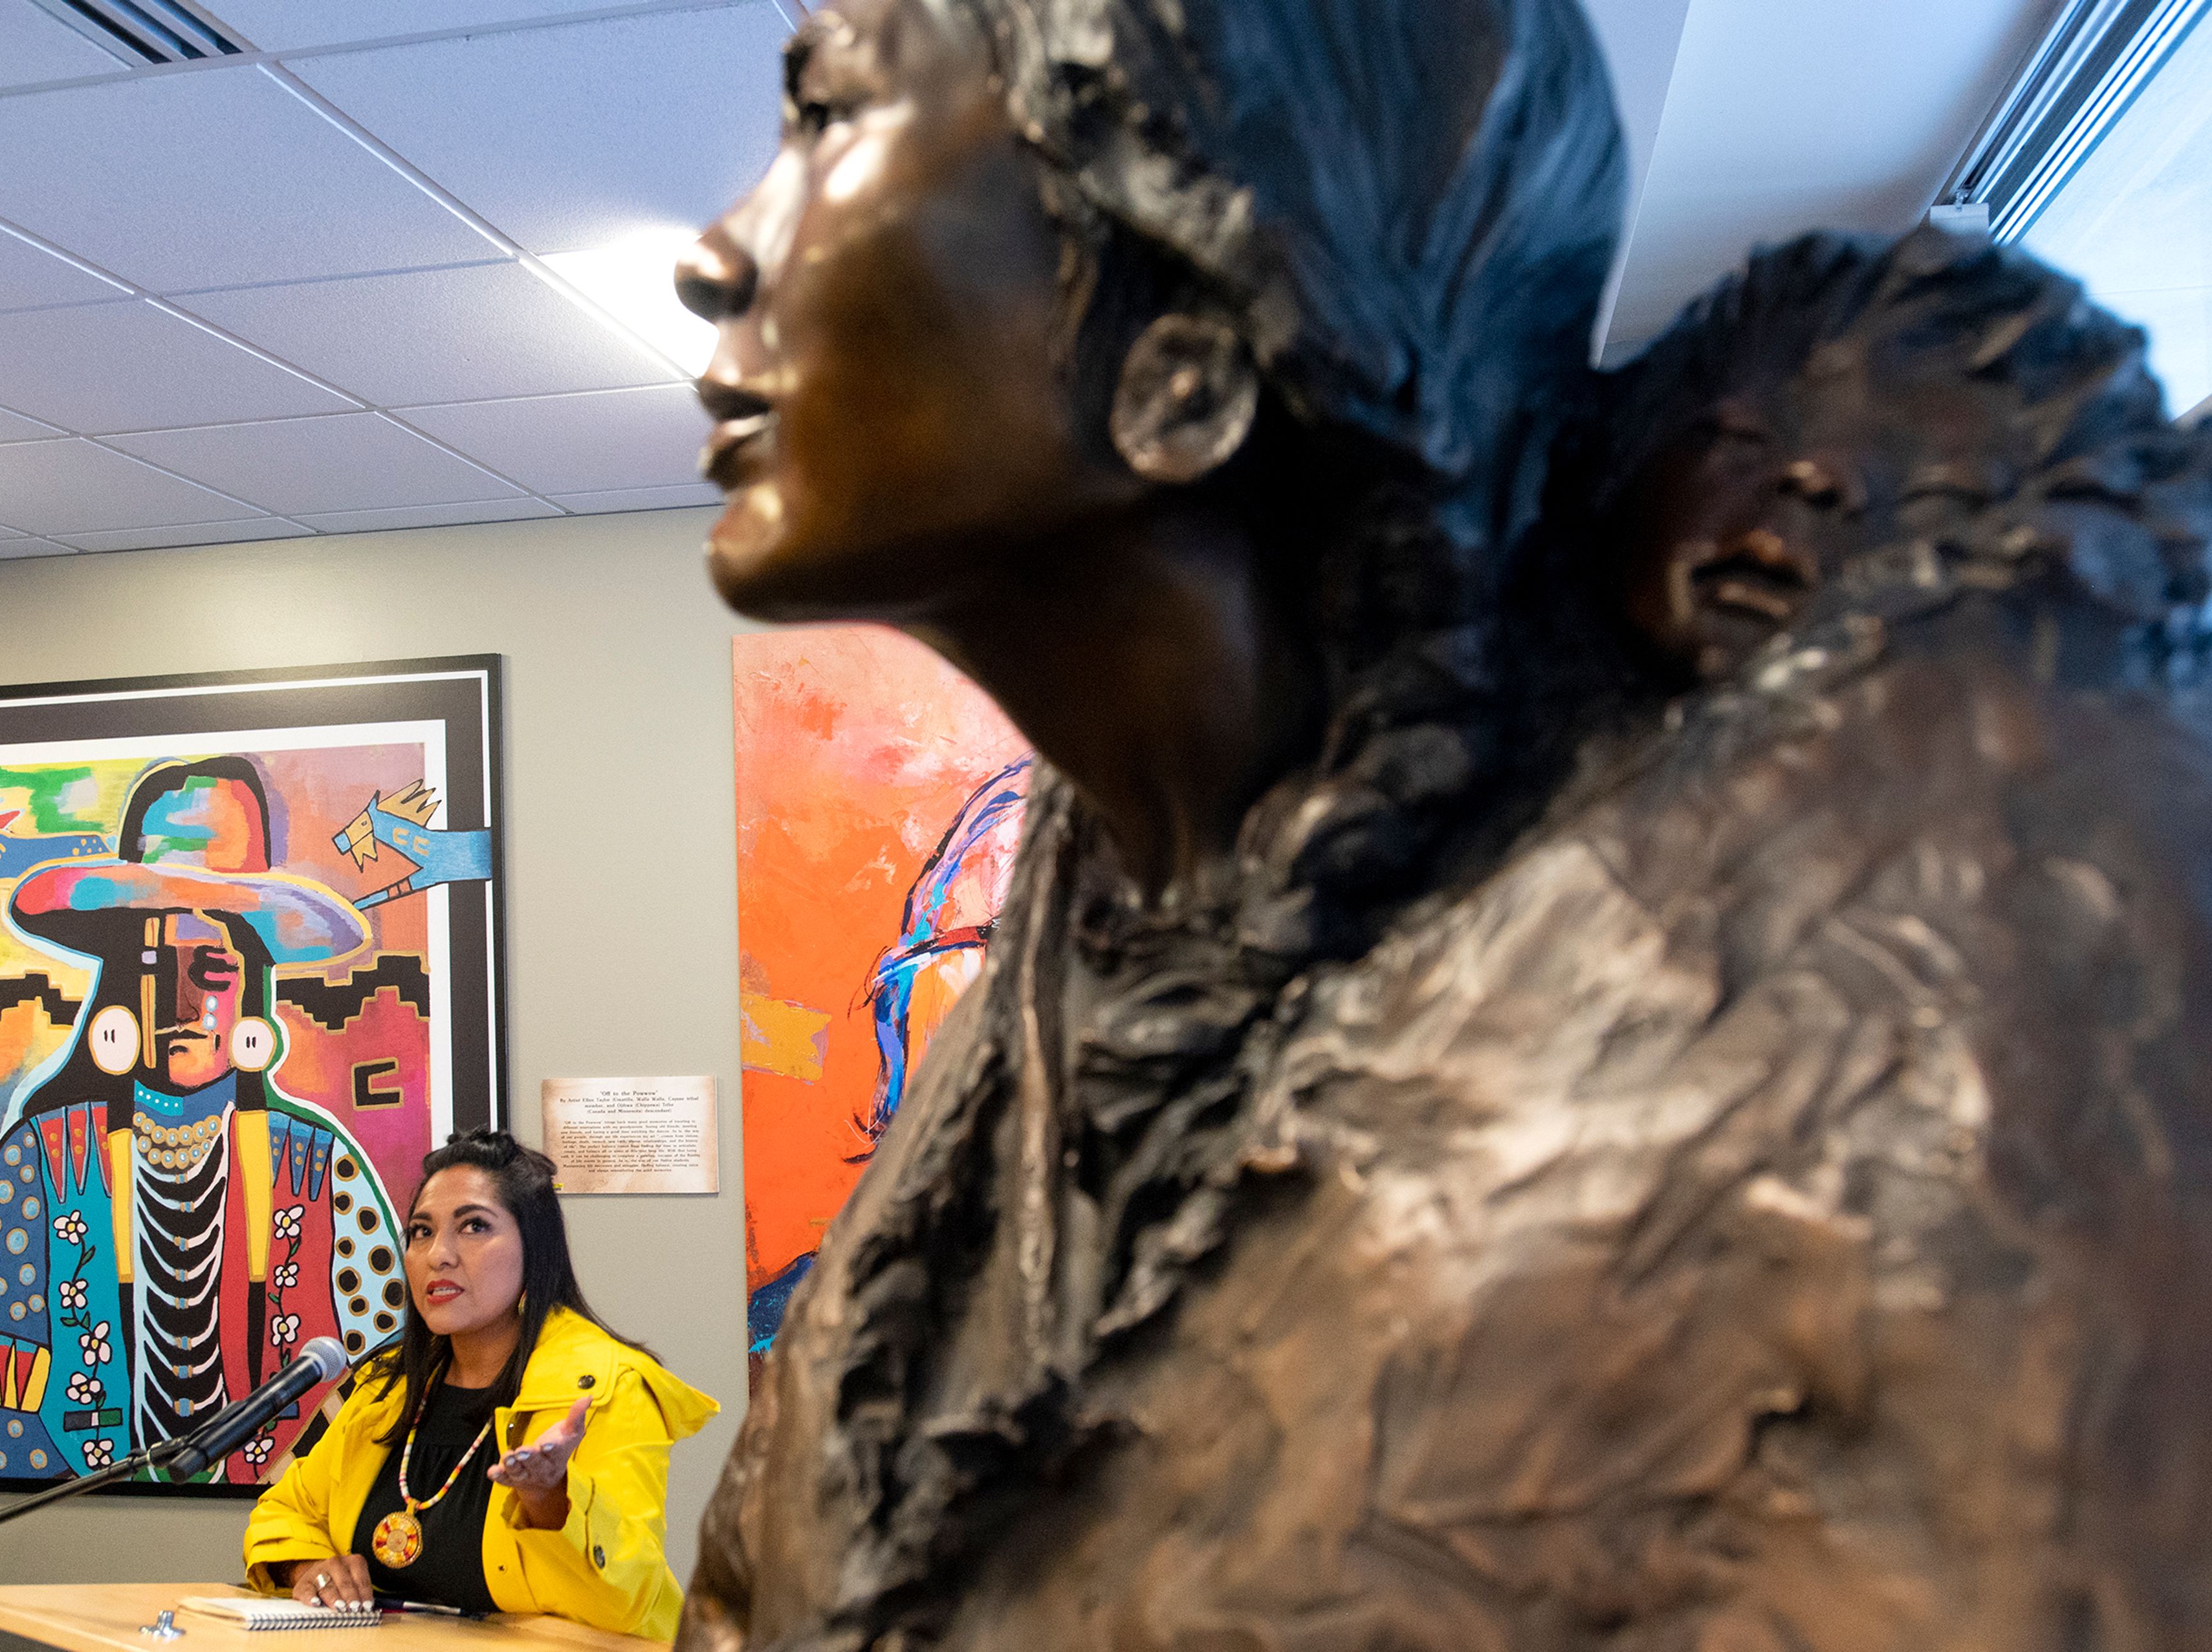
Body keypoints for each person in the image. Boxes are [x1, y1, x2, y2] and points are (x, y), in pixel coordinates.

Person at [670, 0, 2212, 1645]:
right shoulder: (1049, 1009)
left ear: (1180, 372)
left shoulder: (1900, 1077)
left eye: (824, 113)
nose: (713, 253)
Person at [0, 756, 400, 1483]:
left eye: (210, 968)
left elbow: (390, 1381)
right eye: (153, 964)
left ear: (252, 984)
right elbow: (4, 1392)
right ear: (118, 978)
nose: (182, 1004)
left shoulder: (319, 1166)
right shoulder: (37, 1162)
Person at [243, 1130, 719, 1641]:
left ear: (534, 1249)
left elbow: (629, 1598)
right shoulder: (387, 1391)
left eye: (474, 1227)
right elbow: (285, 1510)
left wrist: (551, 1497)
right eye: (421, 1232)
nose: (438, 1255)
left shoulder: (608, 1387)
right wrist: (306, 1566)